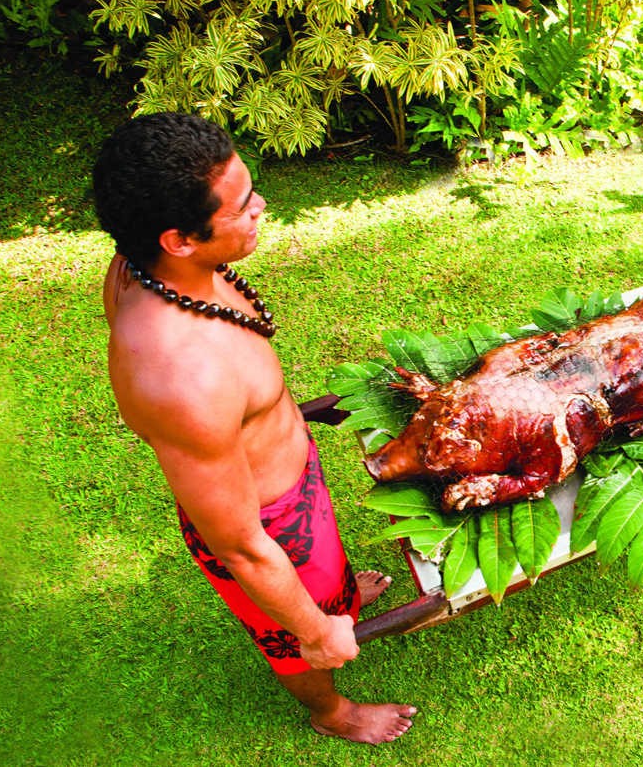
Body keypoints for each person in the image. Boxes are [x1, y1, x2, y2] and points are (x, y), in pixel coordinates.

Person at [93, 112, 416, 743]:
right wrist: (316, 632)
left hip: (292, 482)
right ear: (179, 240)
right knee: (293, 638)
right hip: (267, 528)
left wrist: (301, 414)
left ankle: (341, 598)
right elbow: (242, 546)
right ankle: (330, 711)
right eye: (242, 208)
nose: (261, 206)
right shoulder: (183, 378)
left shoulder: (144, 262)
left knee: (330, 585)